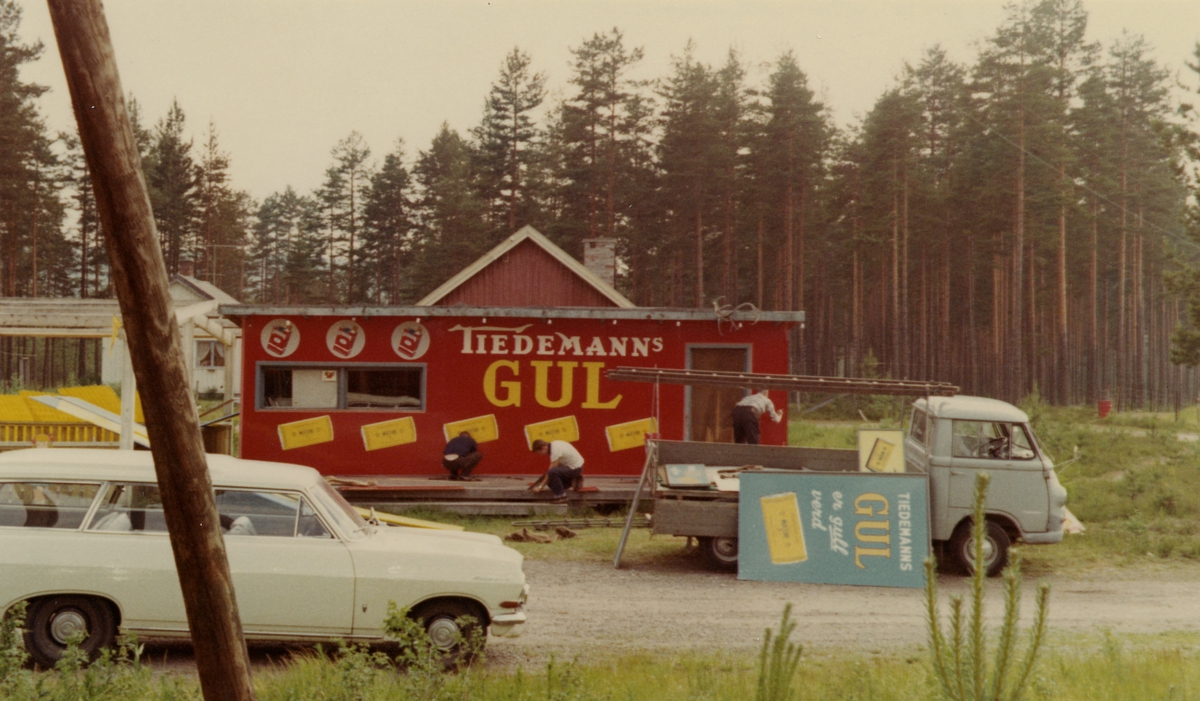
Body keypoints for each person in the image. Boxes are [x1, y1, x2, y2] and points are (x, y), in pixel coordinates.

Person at [530, 439, 584, 503]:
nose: (540, 455)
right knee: (550, 482)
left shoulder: (555, 450)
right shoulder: (554, 445)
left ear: (543, 448)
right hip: (571, 466)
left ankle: (562, 496)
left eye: (539, 452)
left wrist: (540, 487)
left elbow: (551, 470)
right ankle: (573, 481)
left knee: (552, 473)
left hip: (575, 468)